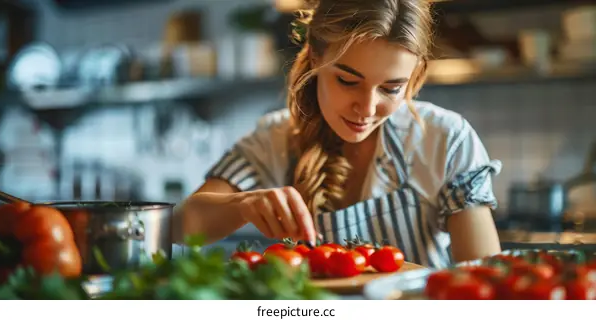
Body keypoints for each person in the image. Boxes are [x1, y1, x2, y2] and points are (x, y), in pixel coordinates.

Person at [173, 0, 502, 269]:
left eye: (391, 88)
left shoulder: (445, 138)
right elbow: (180, 225)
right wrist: (242, 204)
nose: (368, 108)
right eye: (347, 81)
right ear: (316, 58)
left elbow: (482, 277)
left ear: (414, 78)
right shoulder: (274, 138)